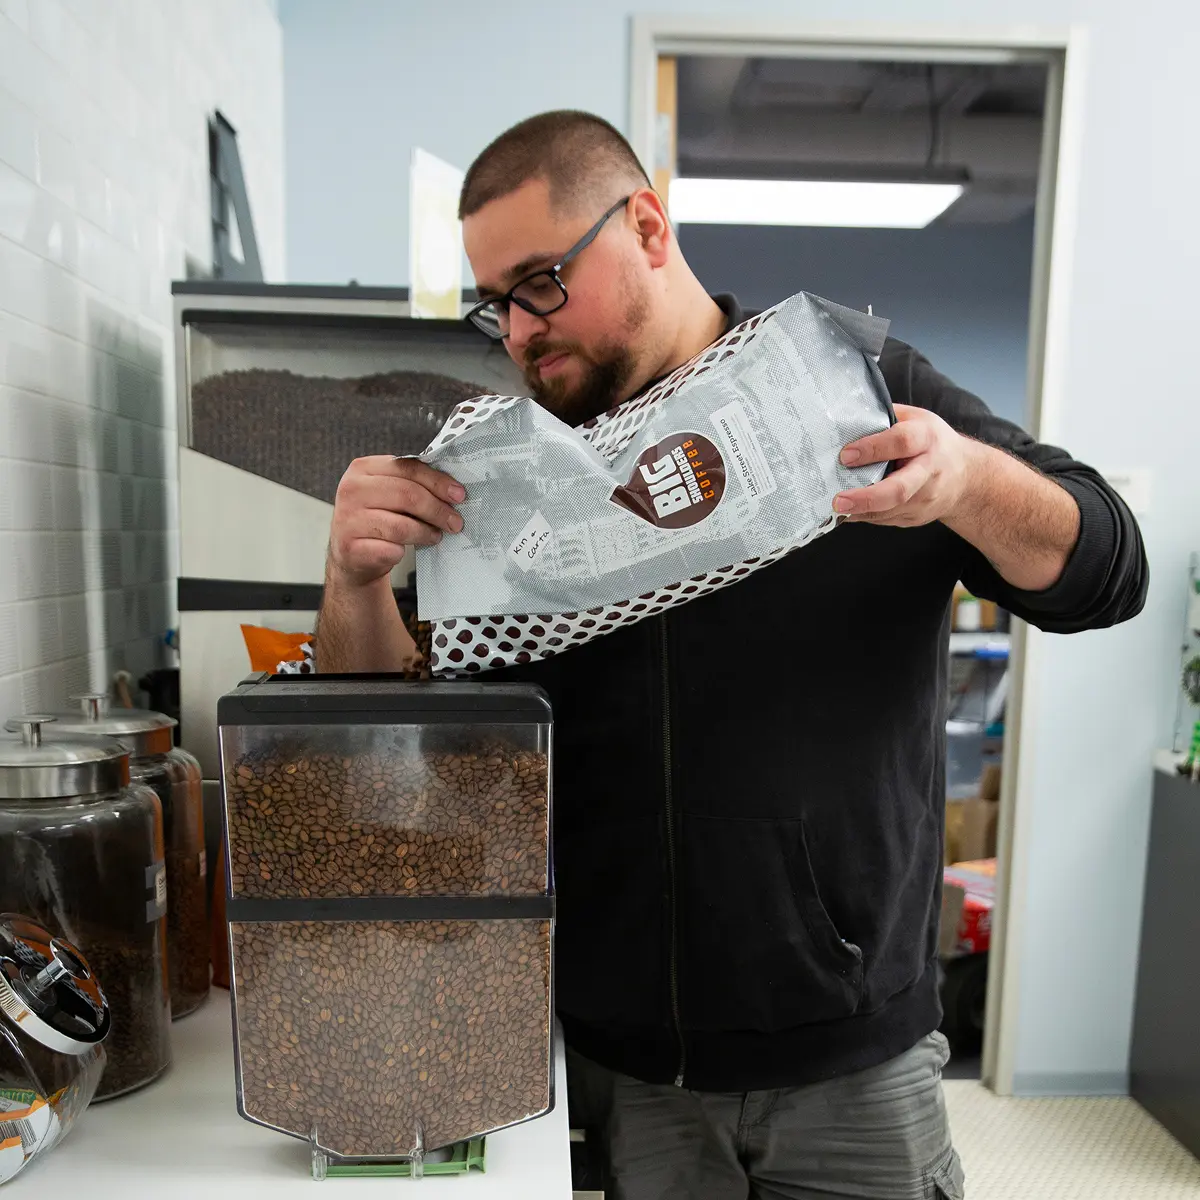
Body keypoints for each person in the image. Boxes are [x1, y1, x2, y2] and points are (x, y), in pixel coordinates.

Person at [315, 111, 1147, 1200]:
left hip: (854, 1060)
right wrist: (353, 580)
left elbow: (1110, 571)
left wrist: (970, 481)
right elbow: (387, 757)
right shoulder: (516, 476)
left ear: (648, 228)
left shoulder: (846, 388)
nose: (517, 332)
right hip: (625, 1070)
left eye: (541, 284)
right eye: (495, 304)